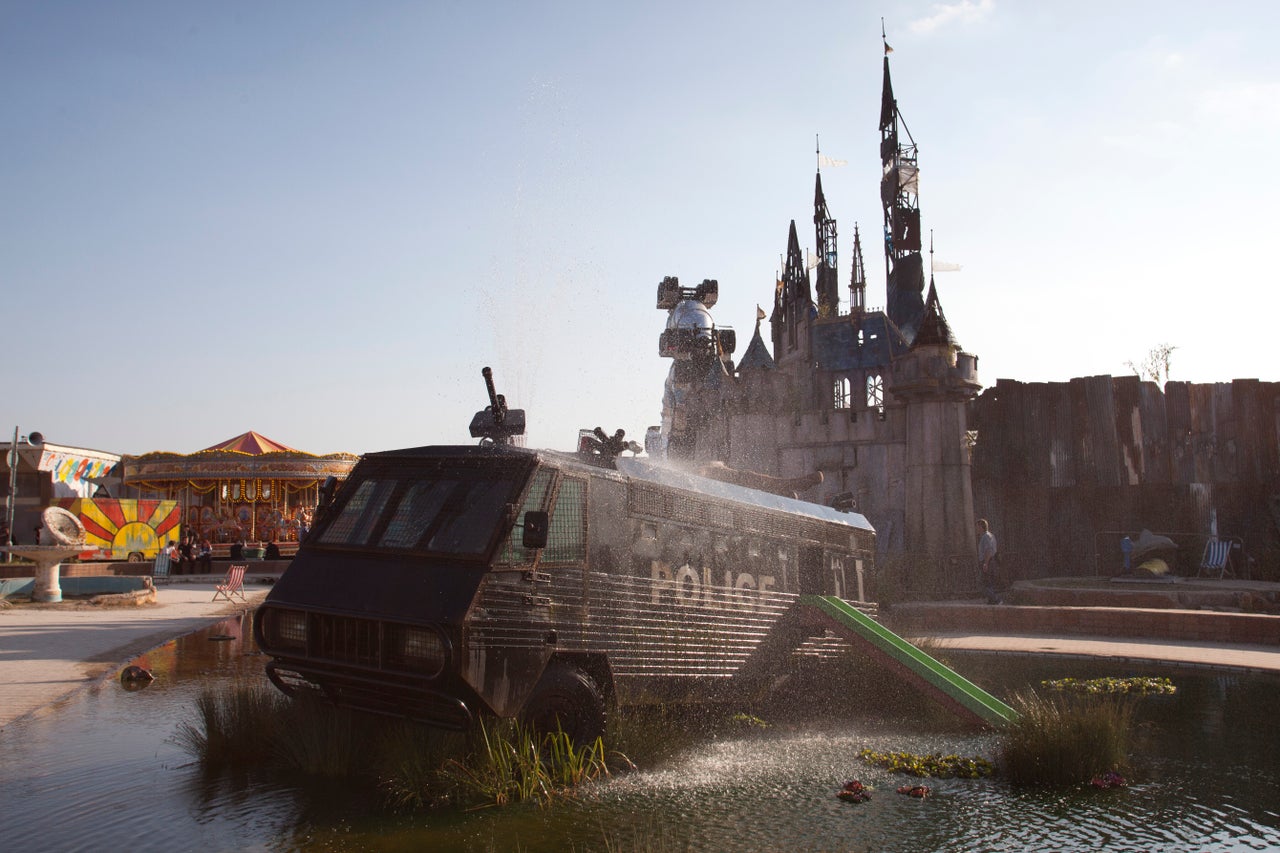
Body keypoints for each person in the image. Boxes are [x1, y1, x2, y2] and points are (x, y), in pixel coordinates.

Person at [977, 518, 1000, 604]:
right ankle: (991, 600)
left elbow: (988, 550)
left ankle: (996, 599)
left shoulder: (985, 537)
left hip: (988, 561)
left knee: (983, 583)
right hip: (991, 561)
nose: (976, 529)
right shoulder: (991, 535)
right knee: (989, 582)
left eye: (977, 526)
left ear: (981, 527)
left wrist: (985, 563)